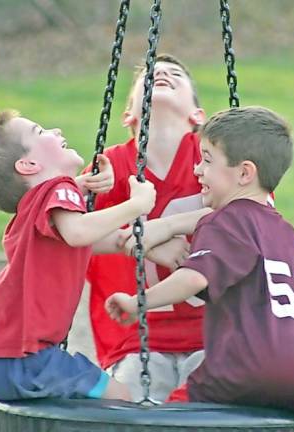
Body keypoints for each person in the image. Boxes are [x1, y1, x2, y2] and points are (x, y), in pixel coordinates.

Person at [106, 106, 294, 431]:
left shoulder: (226, 220)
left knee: (165, 421)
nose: (197, 169)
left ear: (245, 173)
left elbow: (193, 277)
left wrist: (138, 303)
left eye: (206, 159)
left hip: (255, 363)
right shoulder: (283, 229)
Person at [0, 109, 156, 402]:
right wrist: (137, 205)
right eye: (41, 132)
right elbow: (78, 232)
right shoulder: (58, 190)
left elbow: (90, 237)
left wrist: (83, 187)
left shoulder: (34, 207)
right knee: (120, 397)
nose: (55, 130)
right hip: (27, 358)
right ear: (28, 164)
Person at [84, 53, 208, 402]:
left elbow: (252, 214)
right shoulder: (110, 168)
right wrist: (142, 241)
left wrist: (163, 228)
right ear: (129, 115)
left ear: (197, 115)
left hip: (216, 334)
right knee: (129, 410)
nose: (163, 73)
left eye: (176, 75)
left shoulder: (216, 158)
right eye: (151, 75)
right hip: (136, 340)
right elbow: (74, 235)